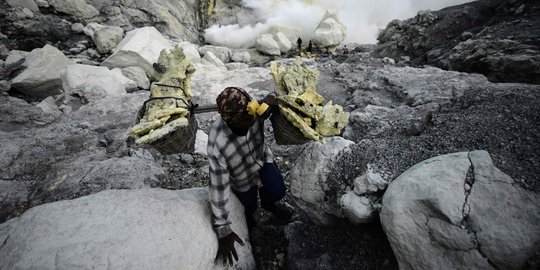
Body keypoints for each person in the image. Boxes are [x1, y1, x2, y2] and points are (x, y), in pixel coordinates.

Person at [208, 87, 292, 266]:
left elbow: (273, 101)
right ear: (226, 120)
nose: (248, 124)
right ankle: (250, 219)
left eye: (250, 119)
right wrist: (223, 229)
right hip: (241, 177)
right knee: (249, 207)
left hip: (262, 159)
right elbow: (218, 186)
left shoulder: (253, 110)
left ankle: (269, 204)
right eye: (241, 123)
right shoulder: (217, 143)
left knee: (278, 189)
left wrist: (274, 102)